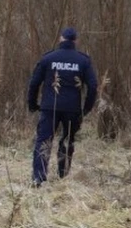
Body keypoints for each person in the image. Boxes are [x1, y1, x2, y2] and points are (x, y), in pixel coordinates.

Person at [27, 26, 98, 186]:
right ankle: (63, 176)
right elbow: (93, 86)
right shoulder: (83, 60)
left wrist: (32, 104)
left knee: (43, 141)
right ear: (76, 40)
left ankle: (38, 178)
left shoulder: (48, 58)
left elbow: (34, 83)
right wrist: (86, 109)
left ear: (61, 39)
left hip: (49, 107)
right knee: (67, 140)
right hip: (72, 109)